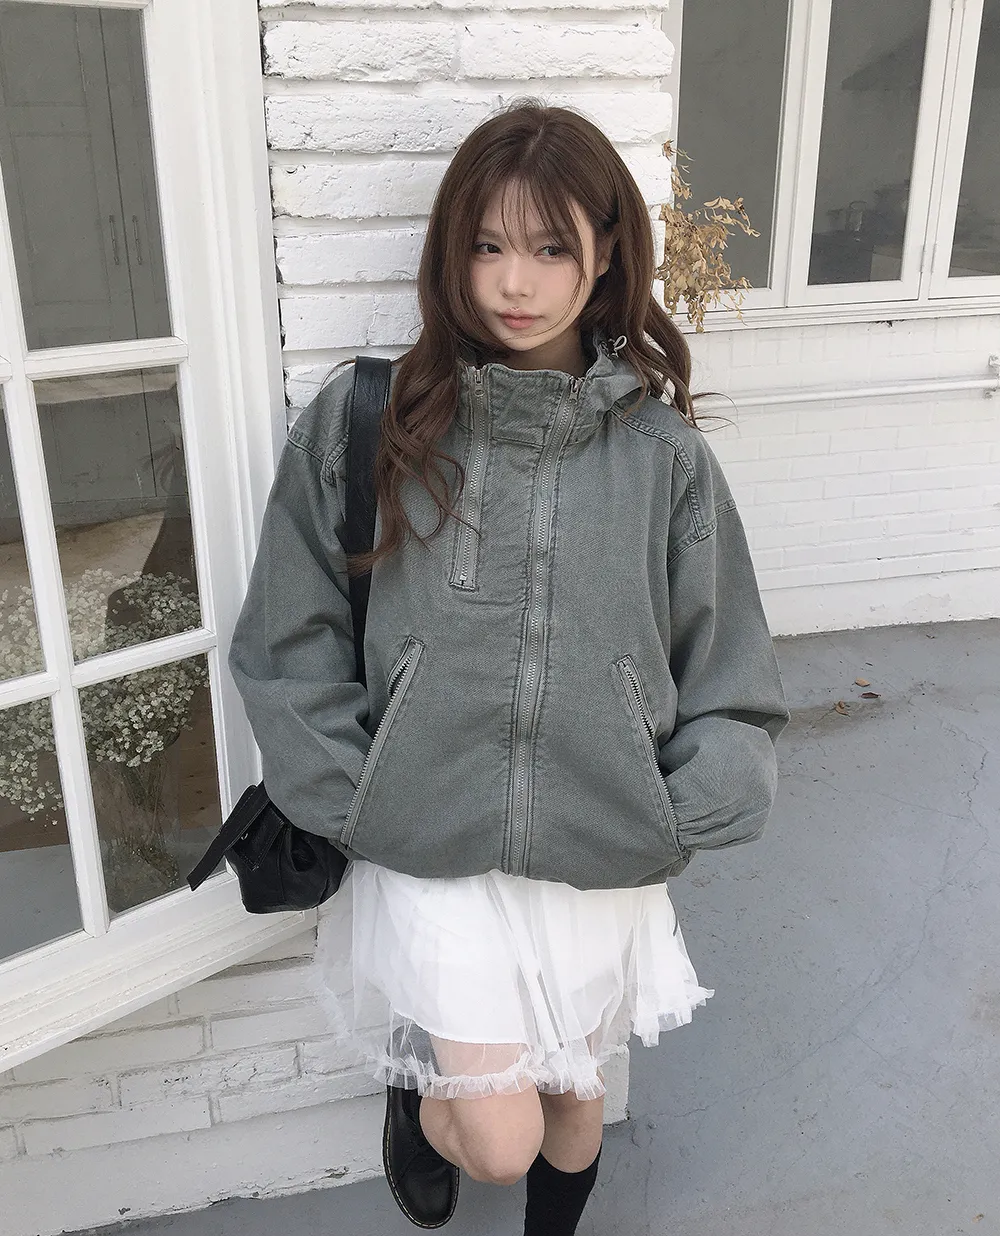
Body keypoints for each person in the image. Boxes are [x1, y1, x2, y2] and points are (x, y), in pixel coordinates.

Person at [228, 97, 789, 1234]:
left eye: (548, 248)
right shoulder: (372, 421)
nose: (513, 284)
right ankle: (423, 1096)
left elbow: (727, 668)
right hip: (428, 835)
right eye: (486, 246)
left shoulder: (663, 458)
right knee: (500, 1140)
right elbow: (289, 635)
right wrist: (359, 794)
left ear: (607, 253)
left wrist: (677, 807)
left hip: (597, 838)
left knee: (578, 1103)